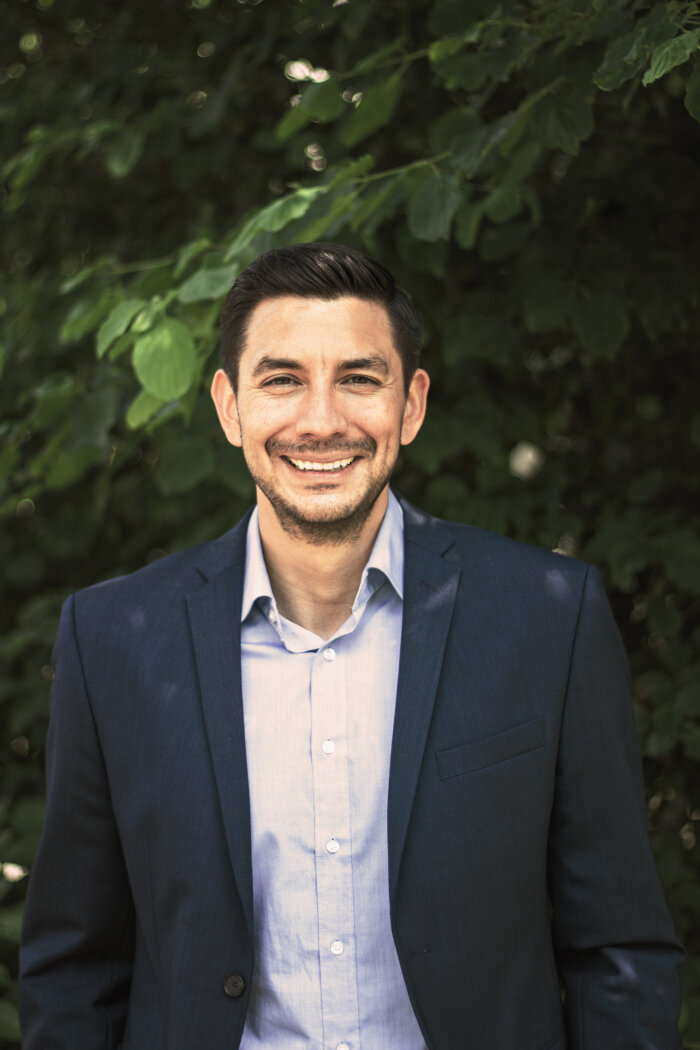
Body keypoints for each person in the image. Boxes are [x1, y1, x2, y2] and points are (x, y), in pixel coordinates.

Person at [20, 242, 683, 1050]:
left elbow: (617, 952)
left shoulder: (548, 619)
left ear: (411, 404)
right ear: (229, 407)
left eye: (359, 378)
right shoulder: (112, 641)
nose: (322, 419)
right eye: (283, 378)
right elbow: (75, 971)